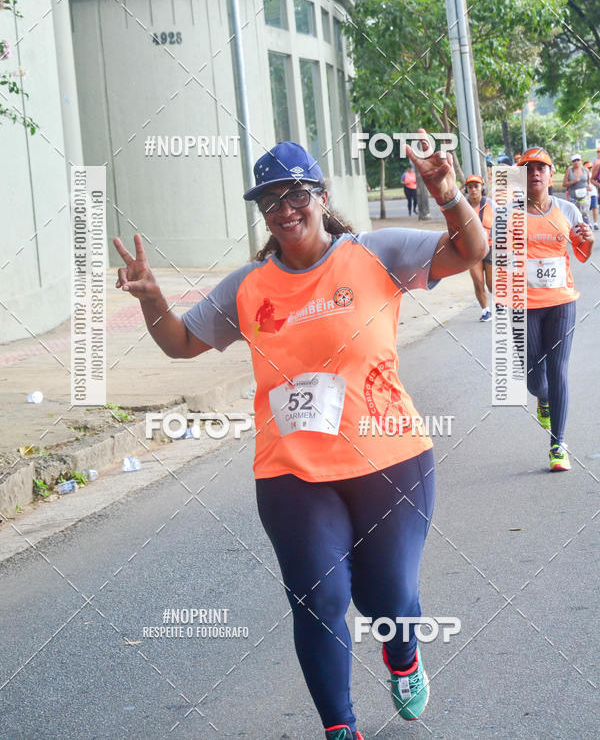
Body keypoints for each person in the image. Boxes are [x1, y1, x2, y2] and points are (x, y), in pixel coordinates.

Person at [114, 138, 488, 739]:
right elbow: (181, 342)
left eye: (295, 194)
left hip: (389, 458)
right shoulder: (249, 286)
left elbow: (472, 249)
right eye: (270, 200)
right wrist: (155, 300)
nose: (284, 209)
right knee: (320, 599)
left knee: (386, 597)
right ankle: (340, 729)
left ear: (319, 196)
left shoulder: (377, 252)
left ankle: (404, 654)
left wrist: (448, 197)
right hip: (291, 472)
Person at [515, 147, 593, 471]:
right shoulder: (510, 215)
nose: (535, 173)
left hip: (561, 302)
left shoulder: (568, 211)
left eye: (541, 168)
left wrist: (586, 238)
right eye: (529, 168)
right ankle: (542, 397)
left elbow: (582, 254)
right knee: (535, 377)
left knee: (558, 369)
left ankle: (558, 445)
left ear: (550, 176)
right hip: (525, 306)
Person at [464, 174, 494, 321]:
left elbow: (503, 222)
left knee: (491, 284)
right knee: (478, 281)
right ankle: (485, 310)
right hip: (472, 250)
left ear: (482, 188)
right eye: (470, 187)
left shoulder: (490, 204)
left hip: (490, 247)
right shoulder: (462, 206)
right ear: (467, 190)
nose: (473, 190)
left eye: (476, 186)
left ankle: (501, 304)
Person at [563, 153, 590, 223]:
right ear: (572, 162)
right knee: (574, 214)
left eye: (578, 160)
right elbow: (564, 184)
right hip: (573, 197)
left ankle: (586, 229)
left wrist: (588, 186)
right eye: (574, 160)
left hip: (585, 196)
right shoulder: (569, 170)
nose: (576, 162)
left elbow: (588, 181)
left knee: (585, 214)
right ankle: (576, 231)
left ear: (581, 161)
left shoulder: (585, 170)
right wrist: (573, 181)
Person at [585, 160, 600, 230]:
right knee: (586, 209)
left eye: (590, 167)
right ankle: (589, 223)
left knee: (594, 208)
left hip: (593, 193)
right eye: (588, 167)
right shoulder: (583, 174)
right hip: (585, 194)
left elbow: (595, 181)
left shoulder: (594, 173)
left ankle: (595, 223)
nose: (589, 169)